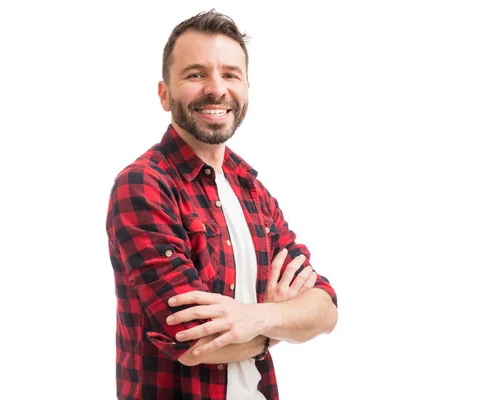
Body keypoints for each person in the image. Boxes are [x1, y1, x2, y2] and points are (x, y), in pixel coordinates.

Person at [106, 9, 338, 400]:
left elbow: (326, 309)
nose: (217, 89)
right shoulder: (143, 186)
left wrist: (254, 318)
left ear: (246, 88)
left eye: (230, 74)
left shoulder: (253, 192)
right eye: (195, 74)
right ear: (164, 94)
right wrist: (282, 324)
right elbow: (194, 344)